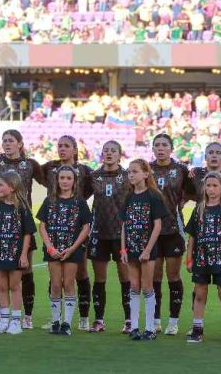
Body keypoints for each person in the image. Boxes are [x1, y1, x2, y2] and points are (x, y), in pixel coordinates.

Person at [0, 129, 45, 330]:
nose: (6, 144)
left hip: (20, 226)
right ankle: (0, 315)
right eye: (4, 141)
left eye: (10, 140)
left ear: (20, 143)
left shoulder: (30, 164)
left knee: (24, 272)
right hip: (1, 224)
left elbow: (48, 182)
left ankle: (25, 316)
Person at [41, 135, 94, 331]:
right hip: (53, 248)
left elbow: (86, 226)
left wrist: (73, 247)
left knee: (69, 282)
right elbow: (43, 225)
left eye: (68, 178)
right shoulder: (50, 201)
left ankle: (67, 323)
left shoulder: (80, 202)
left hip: (72, 249)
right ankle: (55, 320)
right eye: (62, 178)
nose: (65, 181)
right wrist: (49, 246)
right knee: (55, 284)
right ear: (57, 180)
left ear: (74, 181)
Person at [185, 171, 221, 345]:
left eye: (215, 185)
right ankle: (197, 330)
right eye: (208, 186)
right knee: (200, 294)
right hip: (202, 259)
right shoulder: (199, 209)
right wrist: (189, 259)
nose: (211, 189)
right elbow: (192, 237)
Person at [150, 134, 195, 335]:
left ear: (171, 148)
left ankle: (174, 321)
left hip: (173, 229)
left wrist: (182, 201)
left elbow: (194, 191)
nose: (160, 148)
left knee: (173, 275)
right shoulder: (146, 169)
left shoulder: (181, 170)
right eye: (157, 145)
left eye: (164, 145)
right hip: (151, 231)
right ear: (153, 148)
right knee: (155, 276)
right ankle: (156, 319)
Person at [121, 159, 169, 341]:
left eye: (134, 171)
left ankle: (150, 328)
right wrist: (123, 249)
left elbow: (157, 226)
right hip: (131, 248)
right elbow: (124, 224)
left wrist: (148, 249)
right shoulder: (129, 196)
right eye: (129, 172)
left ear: (146, 174)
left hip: (147, 250)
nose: (131, 175)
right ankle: (134, 327)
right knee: (133, 286)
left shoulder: (153, 196)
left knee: (147, 286)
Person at [0, 171, 36, 335]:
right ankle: (3, 320)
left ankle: (15, 321)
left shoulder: (22, 208)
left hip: (14, 253)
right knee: (2, 286)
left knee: (14, 286)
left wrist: (23, 255)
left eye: (1, 185)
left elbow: (28, 233)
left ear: (12, 187)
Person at [89, 141, 132, 333]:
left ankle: (129, 320)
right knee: (100, 279)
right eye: (106, 150)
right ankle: (99, 320)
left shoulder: (127, 176)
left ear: (119, 155)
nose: (109, 153)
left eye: (113, 151)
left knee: (125, 277)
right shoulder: (94, 176)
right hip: (99, 232)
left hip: (121, 234)